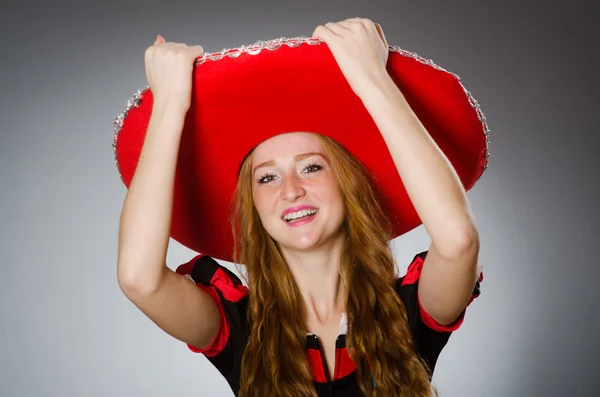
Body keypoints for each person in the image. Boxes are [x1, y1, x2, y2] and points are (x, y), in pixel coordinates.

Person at [115, 18, 485, 397]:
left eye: (311, 167)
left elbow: (458, 240)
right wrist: (170, 105)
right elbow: (139, 279)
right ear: (253, 206)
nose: (291, 191)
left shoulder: (410, 311)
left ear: (347, 184)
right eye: (267, 178)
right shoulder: (236, 326)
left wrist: (372, 82)